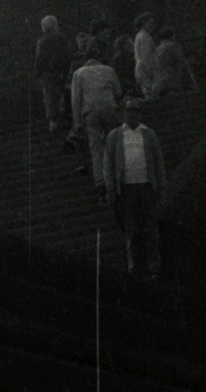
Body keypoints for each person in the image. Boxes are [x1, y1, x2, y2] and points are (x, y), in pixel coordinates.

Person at [103, 98, 167, 278]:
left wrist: (161, 186)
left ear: (140, 113)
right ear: (123, 113)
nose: (132, 114)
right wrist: (110, 189)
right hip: (126, 189)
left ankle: (154, 267)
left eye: (135, 111)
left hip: (147, 186)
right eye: (129, 110)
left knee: (151, 229)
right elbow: (108, 164)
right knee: (130, 229)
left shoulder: (149, 134)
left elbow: (158, 161)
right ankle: (133, 267)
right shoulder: (114, 136)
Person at [70, 41, 122, 194]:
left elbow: (76, 100)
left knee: (96, 148)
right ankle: (119, 176)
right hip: (109, 108)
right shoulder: (108, 70)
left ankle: (100, 182)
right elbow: (118, 92)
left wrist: (77, 122)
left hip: (90, 112)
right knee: (114, 143)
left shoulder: (78, 73)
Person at [34, 14, 71, 134]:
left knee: (49, 96)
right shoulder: (61, 38)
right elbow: (66, 54)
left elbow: (40, 58)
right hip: (61, 71)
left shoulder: (42, 41)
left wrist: (38, 72)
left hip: (48, 73)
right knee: (62, 93)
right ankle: (64, 116)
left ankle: (53, 122)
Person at [151, 27, 198, 97]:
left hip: (158, 84)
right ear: (173, 36)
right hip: (171, 83)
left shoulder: (156, 50)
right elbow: (183, 65)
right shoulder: (173, 47)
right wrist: (192, 83)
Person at [133, 12, 158, 99]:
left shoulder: (140, 35)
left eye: (153, 23)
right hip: (147, 72)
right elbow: (146, 55)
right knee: (151, 97)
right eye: (149, 23)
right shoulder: (144, 37)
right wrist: (150, 71)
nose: (152, 25)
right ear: (143, 23)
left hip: (144, 70)